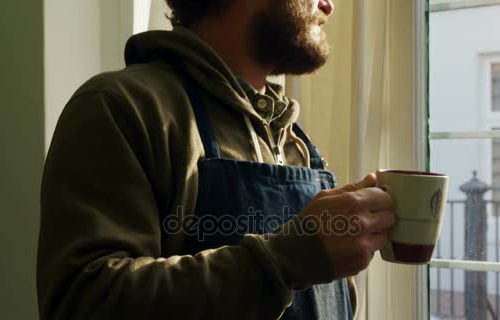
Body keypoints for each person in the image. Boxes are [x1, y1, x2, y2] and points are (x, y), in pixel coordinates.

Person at [36, 0, 395, 319]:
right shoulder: (122, 107)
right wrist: (289, 259)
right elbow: (83, 303)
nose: (329, 6)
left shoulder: (292, 138)